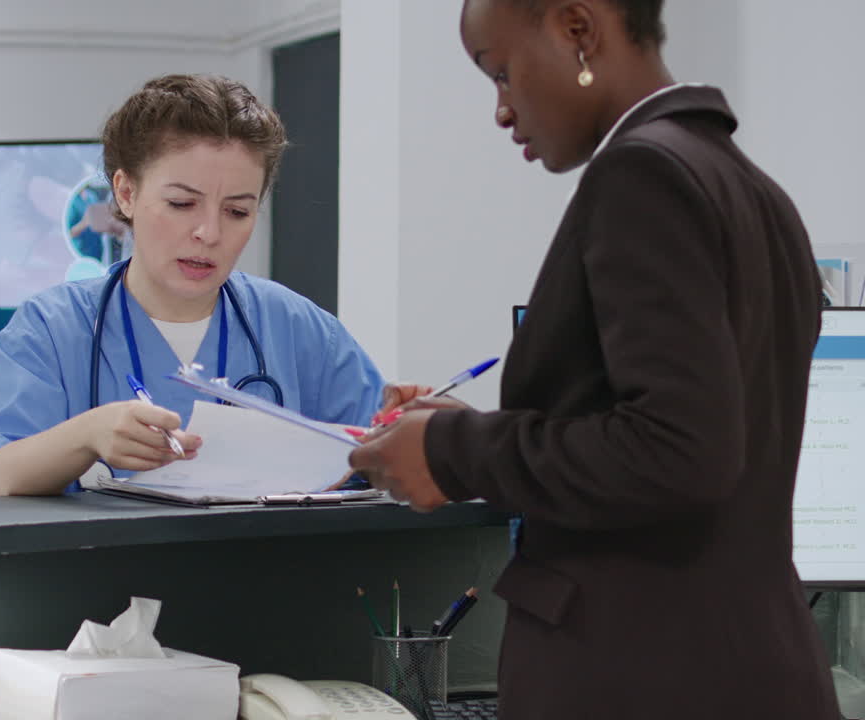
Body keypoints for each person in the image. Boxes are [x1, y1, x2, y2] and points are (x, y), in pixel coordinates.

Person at [348, 1, 839, 718]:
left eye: (503, 74)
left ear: (578, 29)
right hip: (755, 661)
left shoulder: (641, 175)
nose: (501, 110)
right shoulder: (755, 191)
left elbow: (679, 450)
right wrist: (466, 433)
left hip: (644, 670)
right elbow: (679, 424)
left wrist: (453, 450)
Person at [0, 73, 385, 496]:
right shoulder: (51, 329)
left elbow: (383, 464)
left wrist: (413, 431)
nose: (209, 232)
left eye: (237, 211)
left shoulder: (298, 329)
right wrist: (86, 435)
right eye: (182, 204)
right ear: (126, 193)